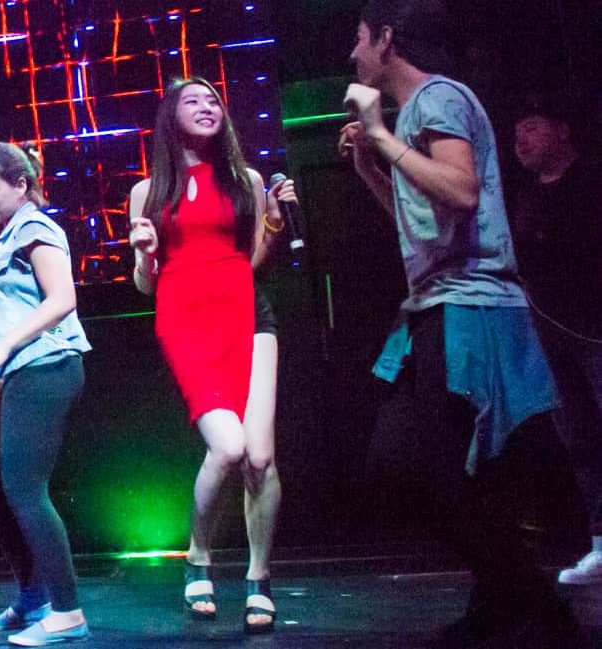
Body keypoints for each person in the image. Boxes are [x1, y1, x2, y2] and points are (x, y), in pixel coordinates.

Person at [341, 1, 578, 645]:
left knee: (424, 466)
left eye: (360, 38)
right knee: (418, 465)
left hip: (470, 304)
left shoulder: (437, 97)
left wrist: (382, 135)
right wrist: (370, 163)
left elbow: (463, 190)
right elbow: (422, 220)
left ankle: (531, 604)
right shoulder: (417, 112)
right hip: (438, 302)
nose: (354, 54)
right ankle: (511, 601)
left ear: (387, 38)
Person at [127, 77, 292, 634]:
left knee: (260, 458)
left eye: (213, 99)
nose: (206, 107)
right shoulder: (148, 191)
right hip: (185, 321)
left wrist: (275, 220)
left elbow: (253, 260)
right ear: (170, 117)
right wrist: (146, 256)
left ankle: (259, 577)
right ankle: (198, 554)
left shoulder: (247, 180)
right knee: (228, 446)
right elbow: (145, 285)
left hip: (247, 314)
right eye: (192, 101)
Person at [0, 142, 92, 646]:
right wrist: (5, 366)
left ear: (21, 185)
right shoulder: (6, 237)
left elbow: (62, 299)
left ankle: (67, 612)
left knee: (24, 489)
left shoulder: (36, 228)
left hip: (48, 365)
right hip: (22, 371)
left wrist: (4, 349)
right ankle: (34, 596)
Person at [508, 100, 602, 586]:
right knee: (580, 438)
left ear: (561, 130)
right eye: (516, 131)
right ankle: (600, 543)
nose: (520, 139)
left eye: (531, 126)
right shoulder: (524, 198)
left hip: (595, 328)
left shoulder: (591, 181)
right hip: (552, 336)